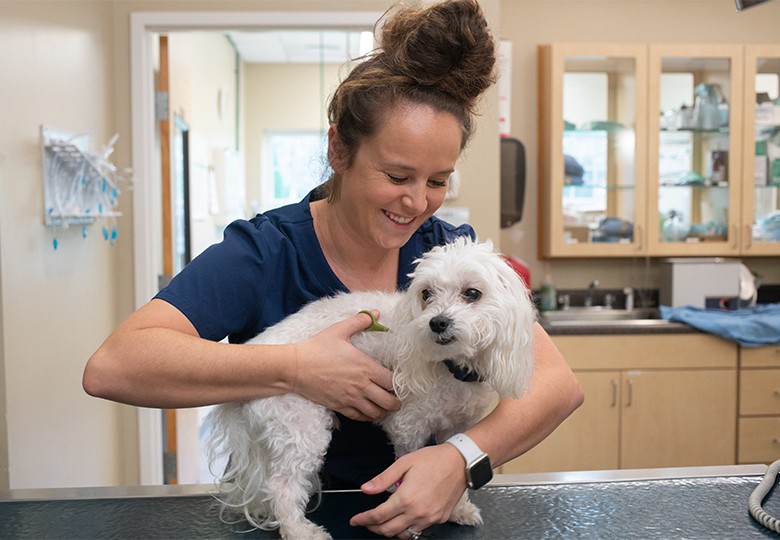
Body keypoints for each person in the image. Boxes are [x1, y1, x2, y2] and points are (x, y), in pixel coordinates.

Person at [83, 0, 584, 538]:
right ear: (339, 150)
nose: (416, 203)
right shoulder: (264, 252)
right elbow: (114, 366)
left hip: (423, 520)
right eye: (397, 175)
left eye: (438, 181)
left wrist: (461, 458)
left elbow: (557, 385)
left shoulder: (447, 252)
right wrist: (296, 367)